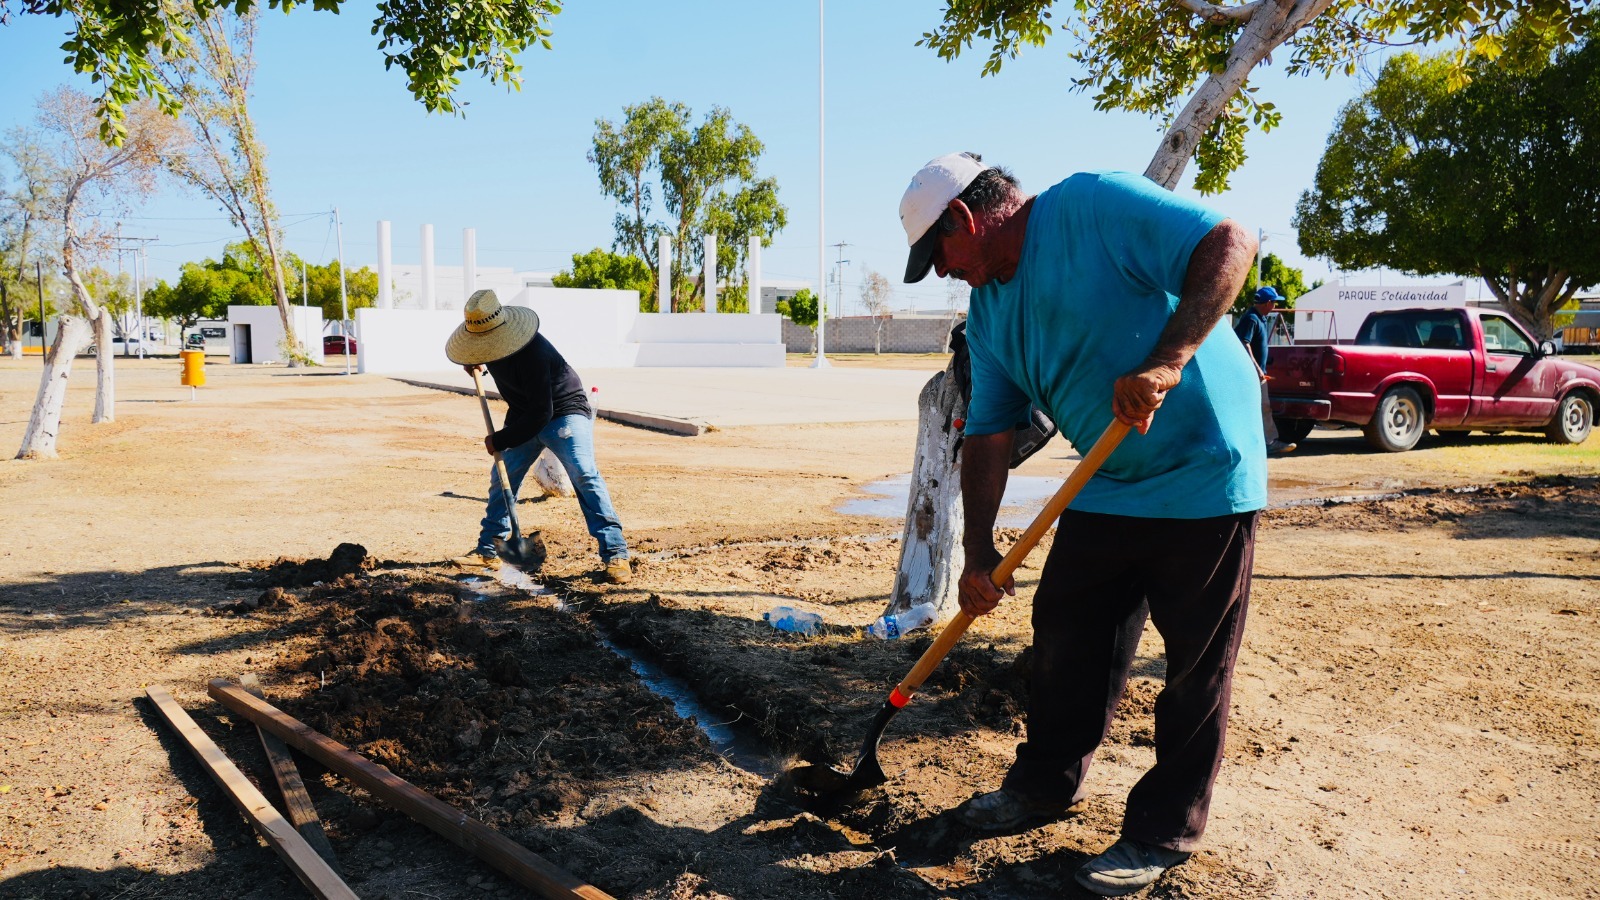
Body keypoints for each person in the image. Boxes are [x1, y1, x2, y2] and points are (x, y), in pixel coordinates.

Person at [899, 153, 1265, 896]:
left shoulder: (1093, 206)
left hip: (1206, 473)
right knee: (1065, 634)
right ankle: (1044, 785)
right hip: (1107, 481)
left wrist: (1169, 360)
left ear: (965, 219)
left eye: (938, 254)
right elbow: (991, 434)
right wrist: (977, 553)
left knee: (1196, 668)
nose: (942, 272)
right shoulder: (992, 311)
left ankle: (1163, 830)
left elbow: (1231, 241)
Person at [444, 290, 632, 584]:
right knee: (502, 476)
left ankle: (616, 553)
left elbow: (541, 413)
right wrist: (476, 363)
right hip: (525, 413)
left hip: (563, 412)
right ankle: (488, 550)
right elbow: (505, 377)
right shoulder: (489, 343)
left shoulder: (533, 352)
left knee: (584, 473)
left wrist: (502, 439)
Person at [1235, 286, 1297, 455]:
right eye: (1275, 303)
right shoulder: (1252, 319)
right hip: (1251, 375)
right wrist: (1256, 368)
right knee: (1262, 407)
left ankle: (1259, 441)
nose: (1275, 306)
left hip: (1254, 374)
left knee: (1258, 407)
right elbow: (1243, 343)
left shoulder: (1258, 318)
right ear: (1268, 303)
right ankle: (1269, 442)